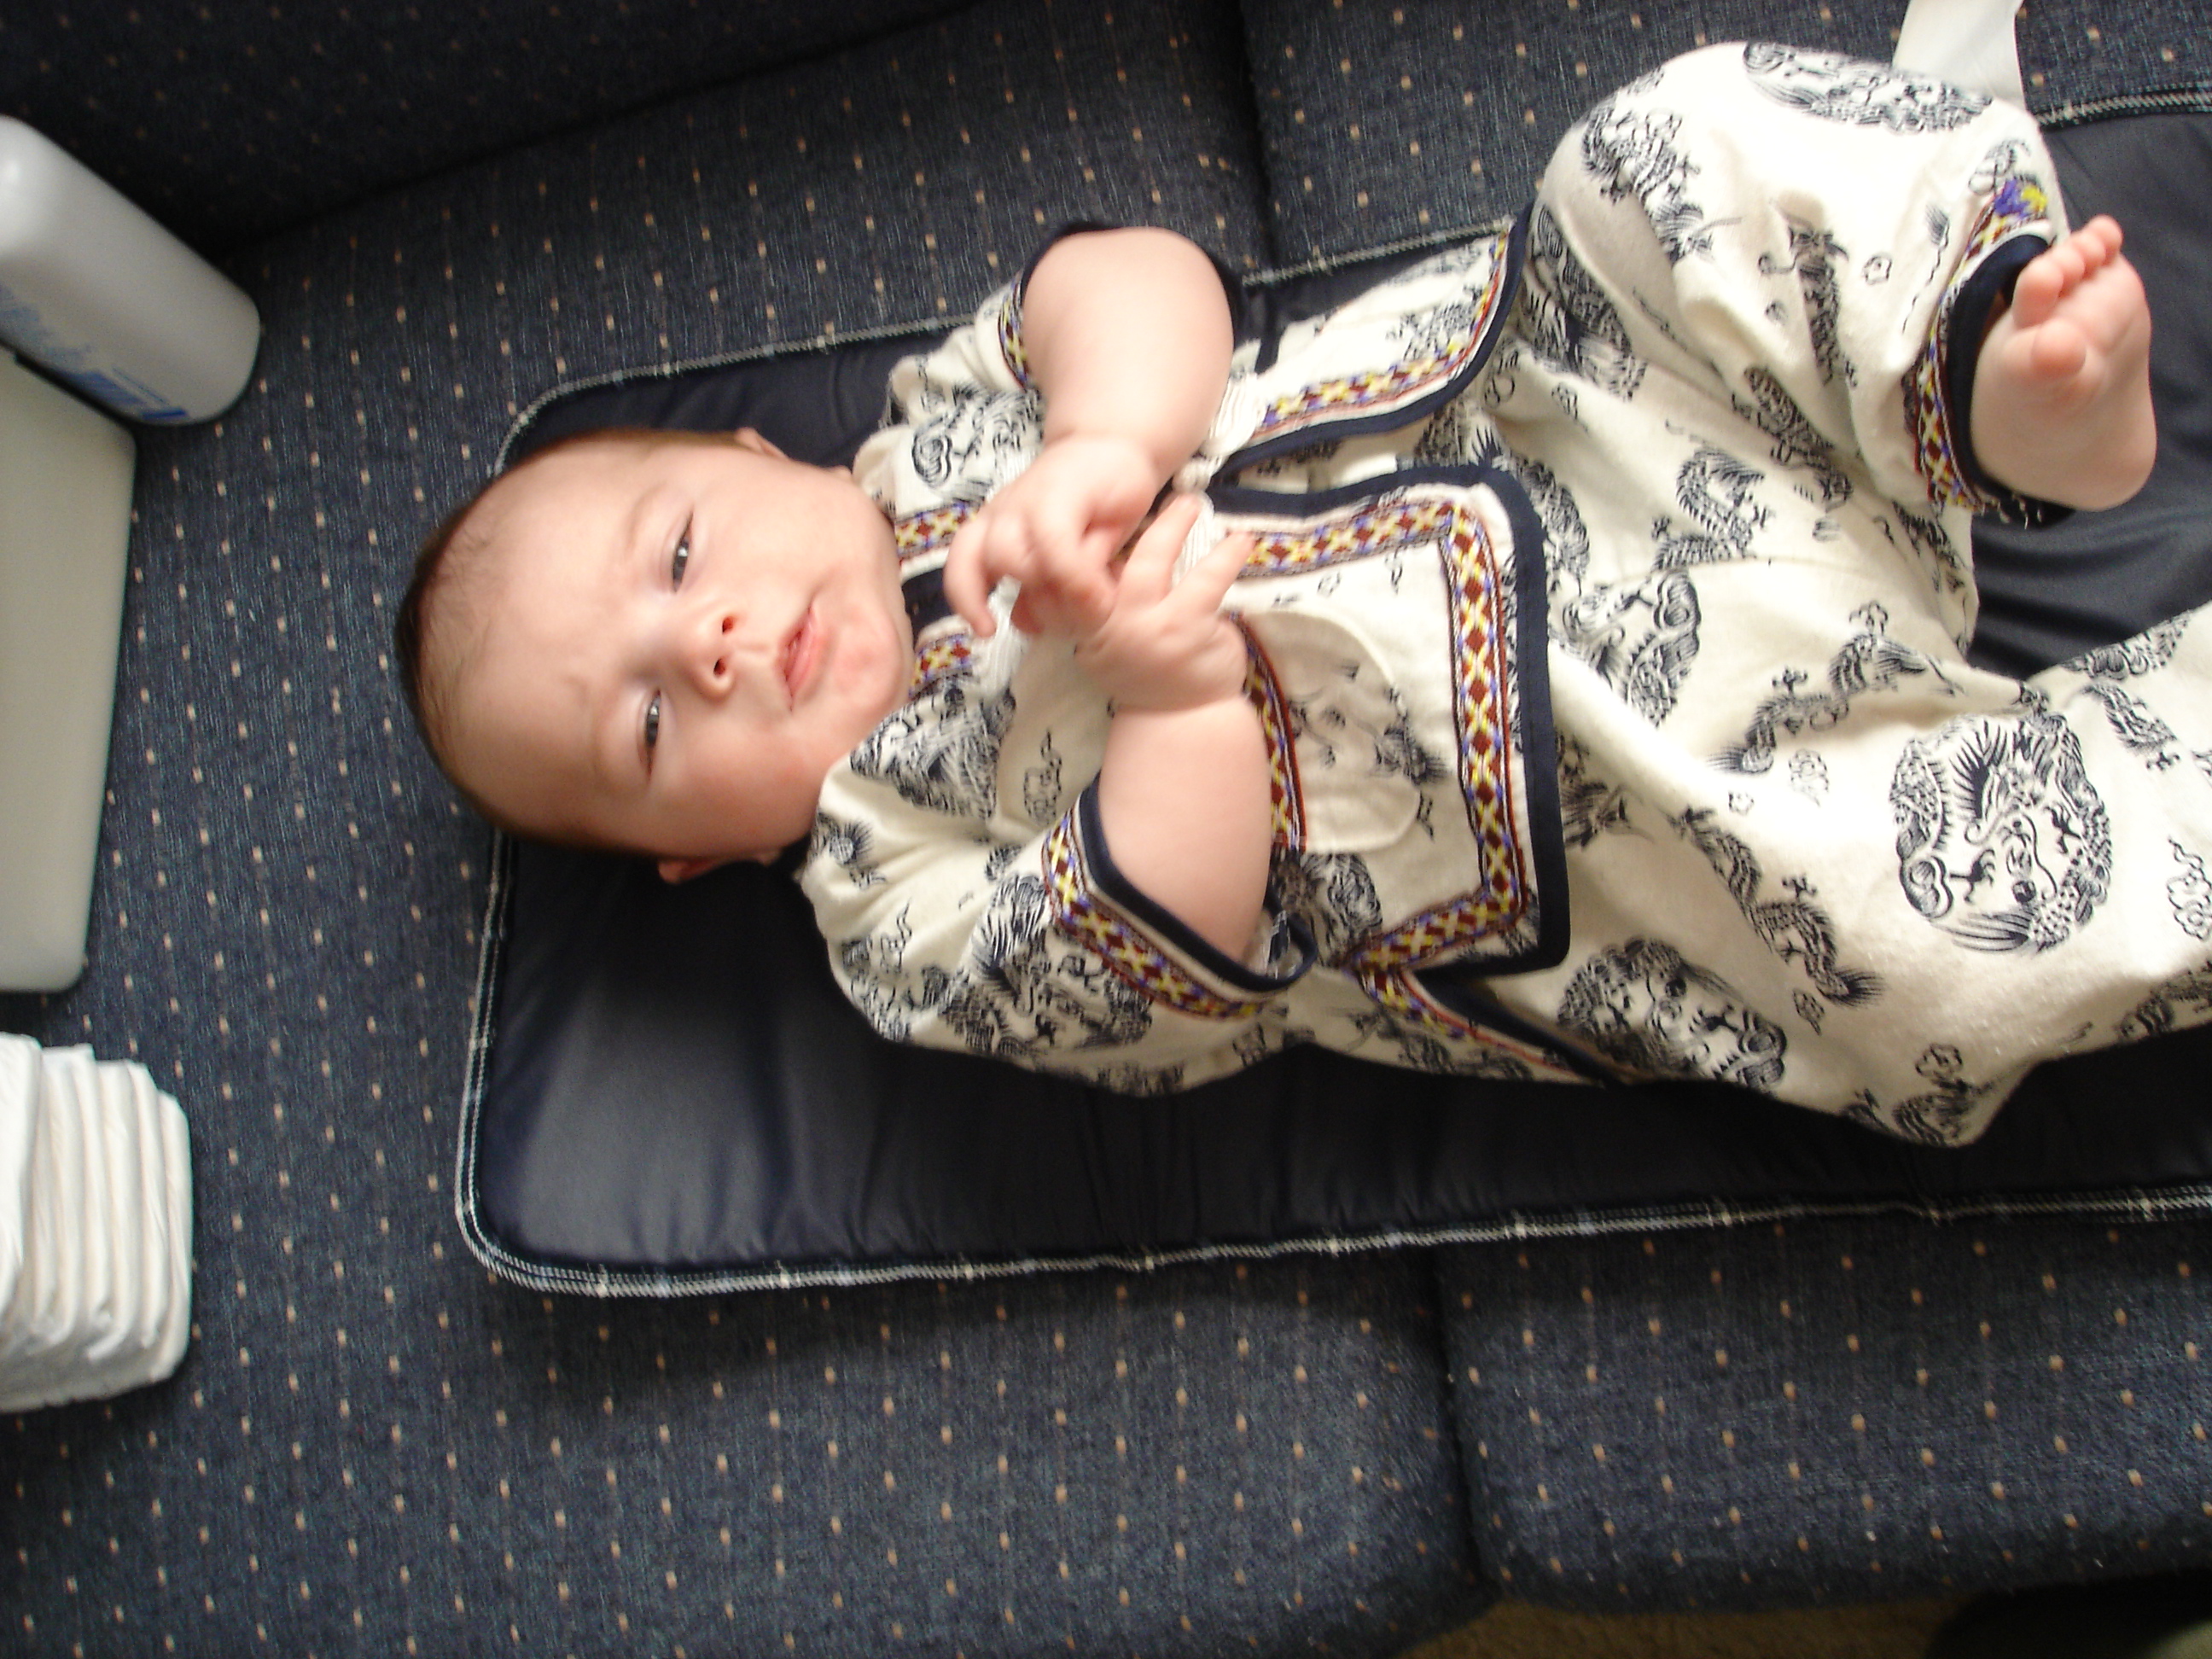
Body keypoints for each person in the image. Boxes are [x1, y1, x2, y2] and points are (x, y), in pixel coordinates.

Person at [396, 43, 2192, 1144]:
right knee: (1917, 959)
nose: (710, 645)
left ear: (756, 456)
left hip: (1580, 405)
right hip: (1625, 814)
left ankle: (1988, 380)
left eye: (680, 556)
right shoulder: (884, 892)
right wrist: (1174, 700)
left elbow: (1139, 281)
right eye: (648, 723)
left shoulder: (935, 420)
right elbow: (1153, 974)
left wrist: (1104, 438)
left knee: (1658, 158)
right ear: (694, 857)